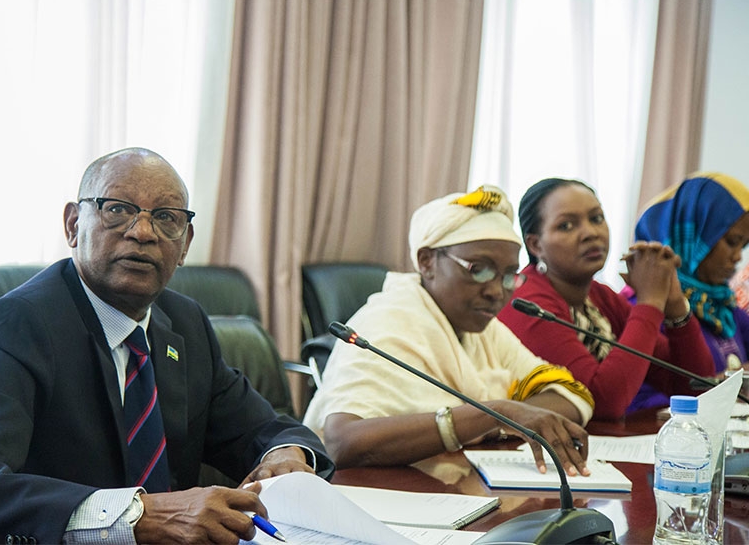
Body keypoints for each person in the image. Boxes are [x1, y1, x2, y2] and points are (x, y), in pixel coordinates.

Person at [0, 147, 334, 543]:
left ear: (185, 242)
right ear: (72, 225)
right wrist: (138, 517)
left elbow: (267, 428)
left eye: (165, 217)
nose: (142, 232)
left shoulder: (185, 324)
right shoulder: (22, 325)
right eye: (117, 209)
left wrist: (287, 456)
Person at [303, 185, 595, 482]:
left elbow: (572, 396)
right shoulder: (387, 321)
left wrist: (495, 420)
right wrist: (491, 415)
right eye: (478, 269)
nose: (496, 291)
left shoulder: (483, 328)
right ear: (427, 261)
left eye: (508, 276)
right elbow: (342, 442)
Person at [497, 178, 715, 420]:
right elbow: (600, 402)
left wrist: (674, 304)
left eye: (596, 218)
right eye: (567, 226)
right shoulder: (526, 303)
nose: (590, 233)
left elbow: (697, 388)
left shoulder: (599, 297)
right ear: (536, 245)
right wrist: (650, 302)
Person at [626, 172, 749, 375]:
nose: (738, 257)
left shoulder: (723, 307)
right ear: (691, 237)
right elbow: (643, 398)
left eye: (743, 246)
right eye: (731, 242)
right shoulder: (643, 309)